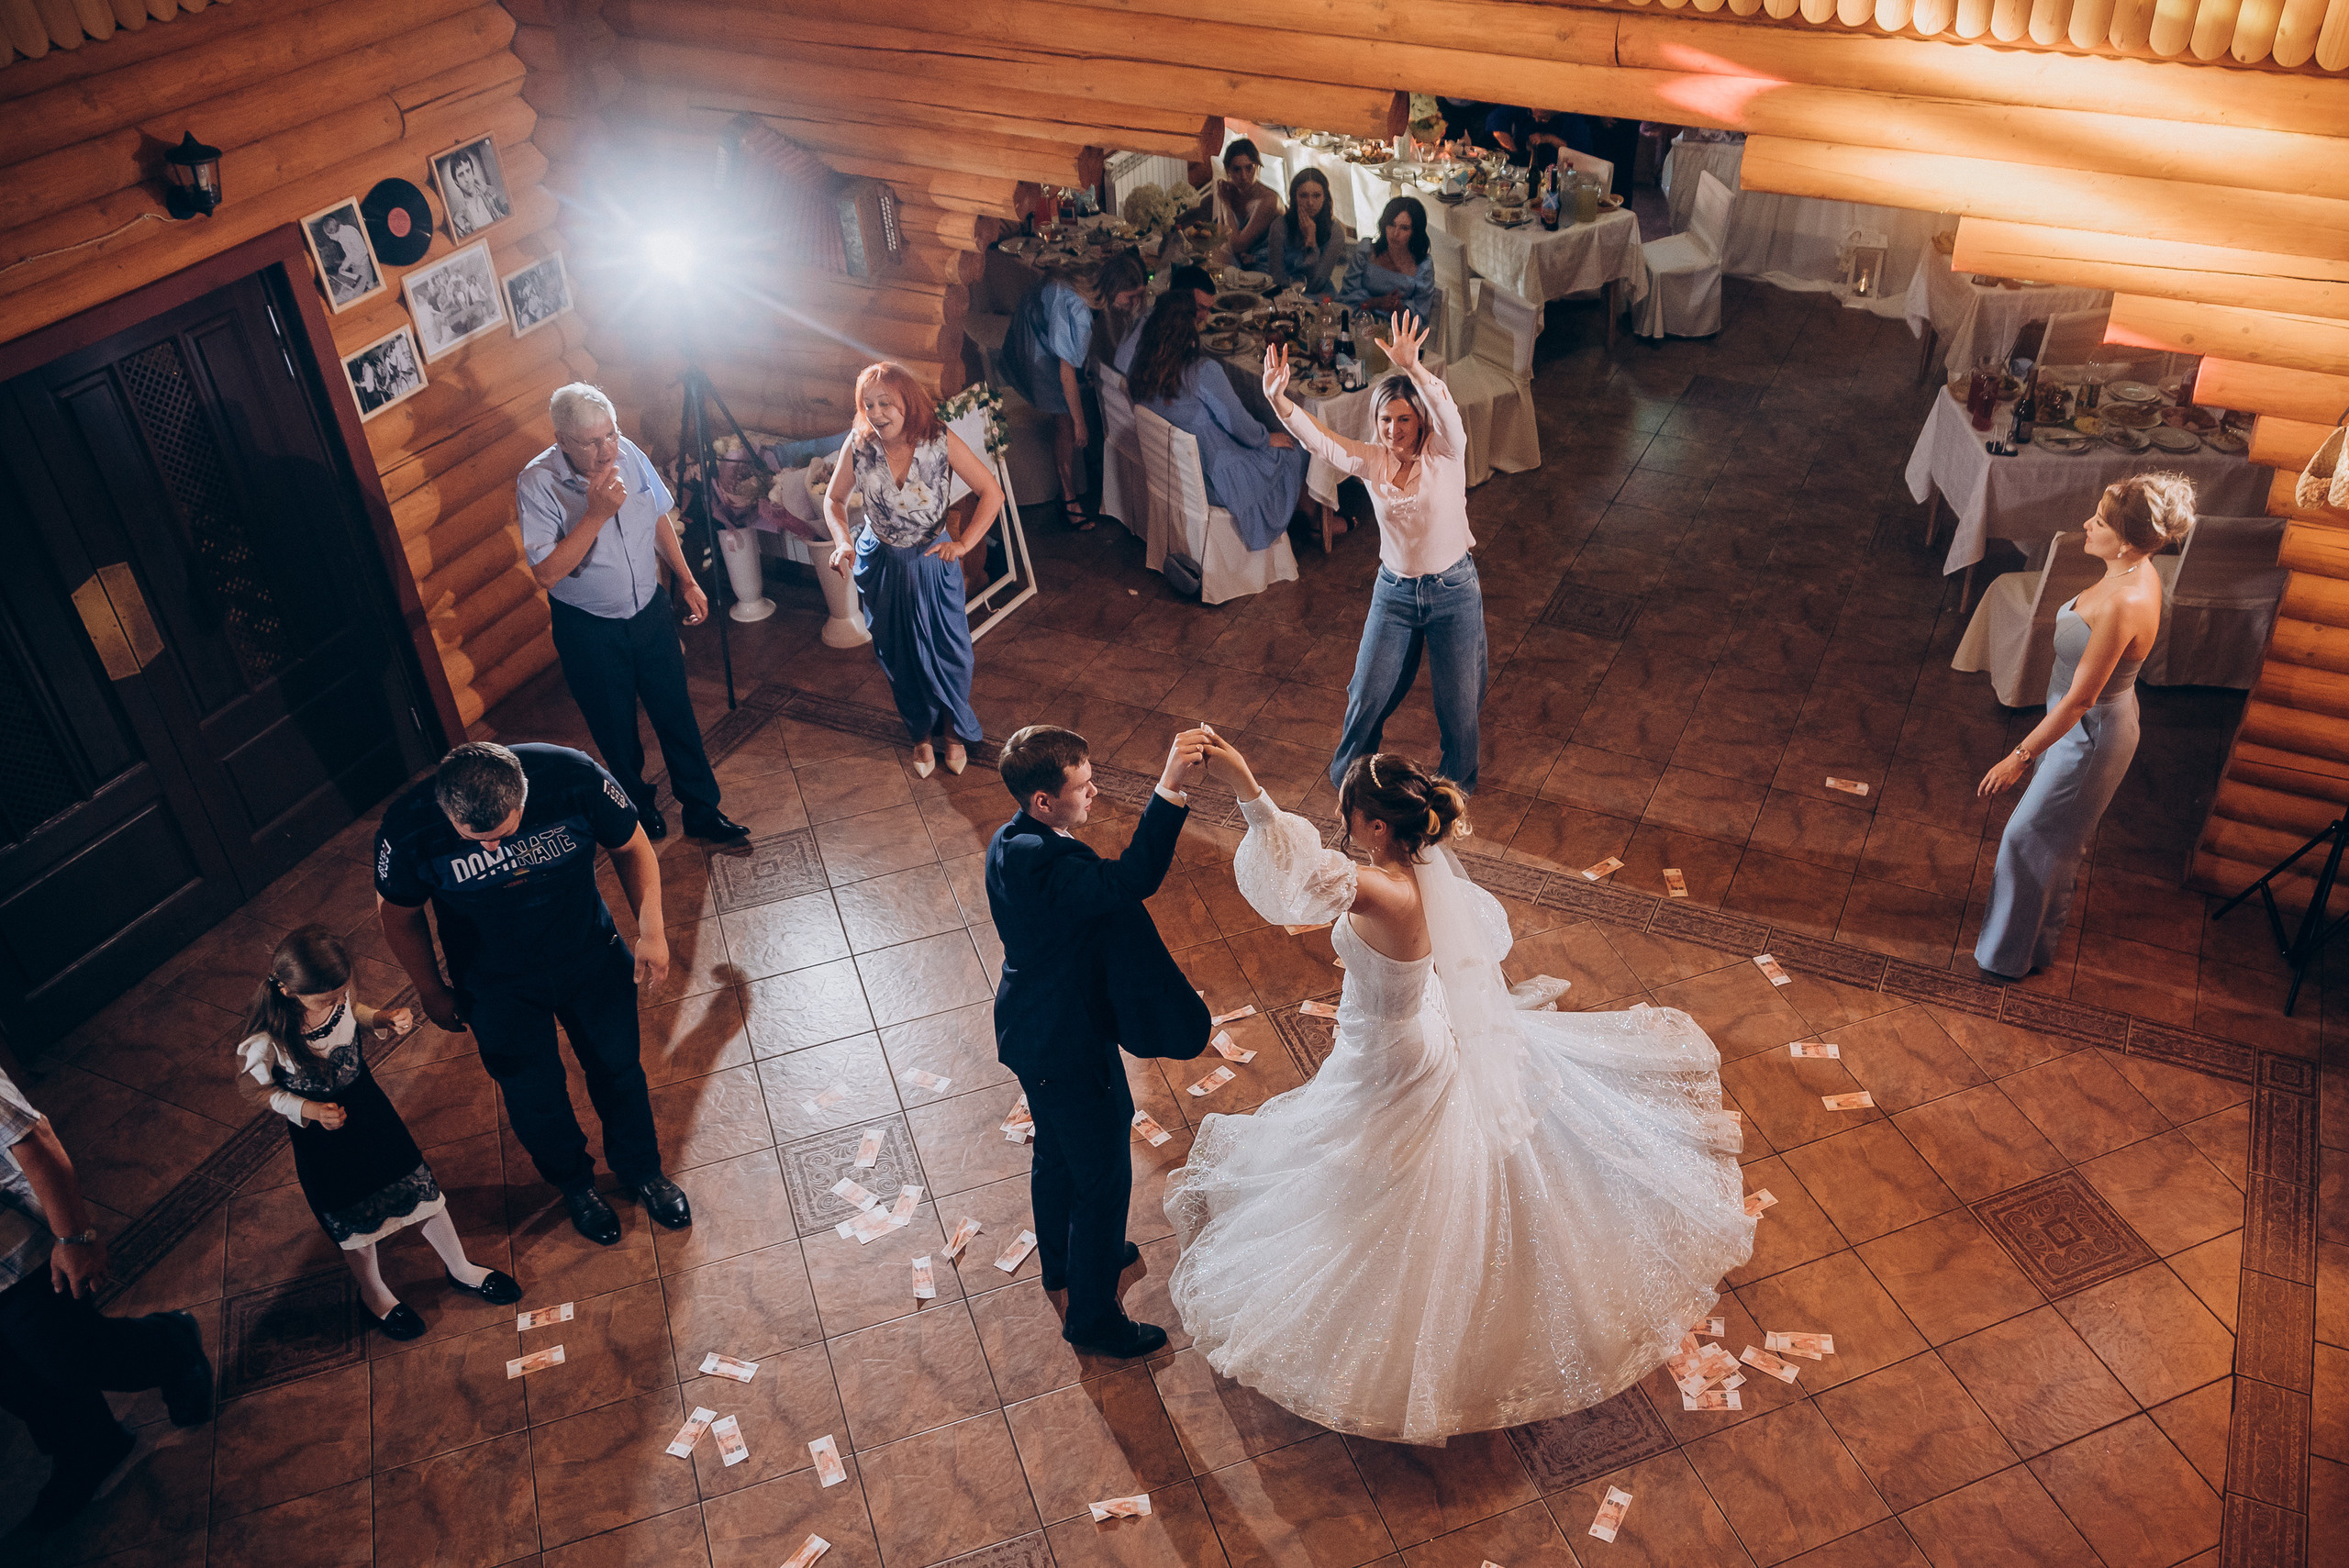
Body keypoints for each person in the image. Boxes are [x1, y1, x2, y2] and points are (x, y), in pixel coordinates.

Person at [1165, 738, 1753, 1443]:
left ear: (1377, 826)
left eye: (1348, 813)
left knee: (1376, 1167)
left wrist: (1245, 785)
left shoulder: (1382, 886)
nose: (1341, 823)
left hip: (1388, 1044)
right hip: (1412, 1023)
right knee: (1375, 1153)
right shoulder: (1427, 876)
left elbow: (1292, 877)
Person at [375, 741, 691, 1246]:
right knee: (534, 1095)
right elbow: (398, 916)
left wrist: (651, 929)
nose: (491, 850)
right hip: (495, 986)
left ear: (522, 799)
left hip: (590, 956)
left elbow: (631, 846)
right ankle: (575, 1186)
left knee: (619, 1070)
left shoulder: (573, 776)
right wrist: (431, 990)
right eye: (473, 839)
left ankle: (642, 1171)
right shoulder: (407, 824)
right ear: (448, 812)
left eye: (502, 834)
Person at [985, 724, 1213, 1359]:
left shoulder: (1010, 841)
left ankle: (1063, 1264)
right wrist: (1170, 784)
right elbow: (1133, 878)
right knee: (1104, 1178)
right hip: (1066, 1040)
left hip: (1033, 1026)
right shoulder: (1049, 863)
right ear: (1043, 802)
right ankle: (1092, 1317)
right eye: (1082, 787)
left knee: (1057, 1153)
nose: (1094, 794)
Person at [236, 926, 520, 1341]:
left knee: (417, 1183)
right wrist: (306, 1108)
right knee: (352, 1215)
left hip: (371, 1113)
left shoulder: (338, 997)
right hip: (324, 1141)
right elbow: (253, 1090)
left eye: (339, 993)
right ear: (286, 989)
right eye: (325, 998)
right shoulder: (267, 1039)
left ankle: (461, 1269)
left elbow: (353, 1013)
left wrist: (381, 1018)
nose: (336, 1002)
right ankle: (374, 1294)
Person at [1974, 474, 2195, 979]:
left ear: (2126, 541)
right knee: (2051, 841)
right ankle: (2030, 947)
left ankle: (2007, 958)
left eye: (2099, 519)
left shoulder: (2125, 601)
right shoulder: (2130, 571)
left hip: (2091, 737)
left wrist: (2018, 757)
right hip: (2079, 726)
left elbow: (2081, 698)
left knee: (2029, 837)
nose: (2086, 524)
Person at [518, 383, 748, 845]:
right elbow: (546, 573)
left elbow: (659, 514)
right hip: (589, 628)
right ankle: (638, 809)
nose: (608, 450)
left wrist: (685, 579)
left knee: (676, 714)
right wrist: (595, 514)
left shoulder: (629, 454)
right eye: (593, 442)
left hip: (650, 613)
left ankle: (702, 810)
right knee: (616, 729)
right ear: (561, 440)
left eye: (612, 434)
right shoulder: (537, 482)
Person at [1265, 316, 1486, 793]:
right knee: (1365, 694)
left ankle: (1456, 793)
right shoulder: (1372, 460)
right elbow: (1321, 442)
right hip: (1395, 595)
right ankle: (1351, 785)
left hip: (1453, 593)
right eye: (1385, 420)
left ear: (1419, 419)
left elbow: (1447, 411)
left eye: (1404, 419)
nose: (1394, 429)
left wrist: (1415, 369)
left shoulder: (1445, 451)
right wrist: (1278, 401)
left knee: (1459, 706)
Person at [0, 1065, 214, 1538]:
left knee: (72, 1357)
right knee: (16, 1383)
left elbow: (32, 1140)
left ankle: (171, 1345)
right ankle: (90, 1448)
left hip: (18, 1259)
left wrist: (75, 1237)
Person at [821, 362, 1003, 779]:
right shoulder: (858, 444)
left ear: (909, 403)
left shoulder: (939, 440)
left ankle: (954, 733)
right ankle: (920, 735)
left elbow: (991, 491)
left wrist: (964, 543)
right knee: (899, 656)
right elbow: (833, 501)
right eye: (868, 405)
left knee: (951, 653)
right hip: (881, 562)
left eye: (887, 403)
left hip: (931, 563)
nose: (877, 413)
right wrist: (844, 542)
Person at [1127, 290, 1308, 554]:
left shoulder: (1141, 367)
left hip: (1181, 476)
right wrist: (1266, 437)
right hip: (1217, 482)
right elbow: (1240, 427)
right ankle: (1311, 524)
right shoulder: (1204, 371)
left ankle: (1305, 519)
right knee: (1298, 449)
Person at [1001, 252, 1148, 530]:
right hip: (1036, 338)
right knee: (1066, 423)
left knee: (1076, 398)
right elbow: (1066, 373)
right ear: (1115, 289)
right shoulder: (1079, 310)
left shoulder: (1096, 278)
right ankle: (1068, 499)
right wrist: (1079, 422)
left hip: (1041, 316)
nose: (1134, 304)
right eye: (1131, 297)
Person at [1180, 139, 1280, 272]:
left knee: (1210, 262)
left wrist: (1226, 204)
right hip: (1240, 256)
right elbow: (1222, 235)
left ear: (1257, 166)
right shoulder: (1228, 190)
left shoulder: (1269, 200)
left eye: (1249, 168)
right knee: (1199, 260)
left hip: (1266, 261)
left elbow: (1239, 246)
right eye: (1237, 169)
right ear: (1228, 171)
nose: (1244, 176)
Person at [1339, 196, 1438, 326]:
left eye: (1404, 228)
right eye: (1391, 225)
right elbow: (1344, 301)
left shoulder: (1423, 266)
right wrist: (1376, 302)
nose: (1395, 233)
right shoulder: (1366, 251)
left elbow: (1421, 321)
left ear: (1415, 232)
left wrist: (1400, 309)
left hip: (1397, 332)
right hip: (1359, 323)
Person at [1112, 263, 1216, 376]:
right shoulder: (1161, 335)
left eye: (1209, 309)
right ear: (1179, 301)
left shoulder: (1155, 314)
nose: (1205, 318)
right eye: (1200, 308)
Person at [1266, 169, 1346, 297]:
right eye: (1303, 196)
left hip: (1319, 294)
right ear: (1295, 197)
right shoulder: (1280, 225)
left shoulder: (1335, 232)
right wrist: (1295, 292)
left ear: (1325, 197)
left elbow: (1316, 284)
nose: (1310, 203)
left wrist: (1311, 242)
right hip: (1285, 293)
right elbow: (1276, 276)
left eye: (1316, 196)